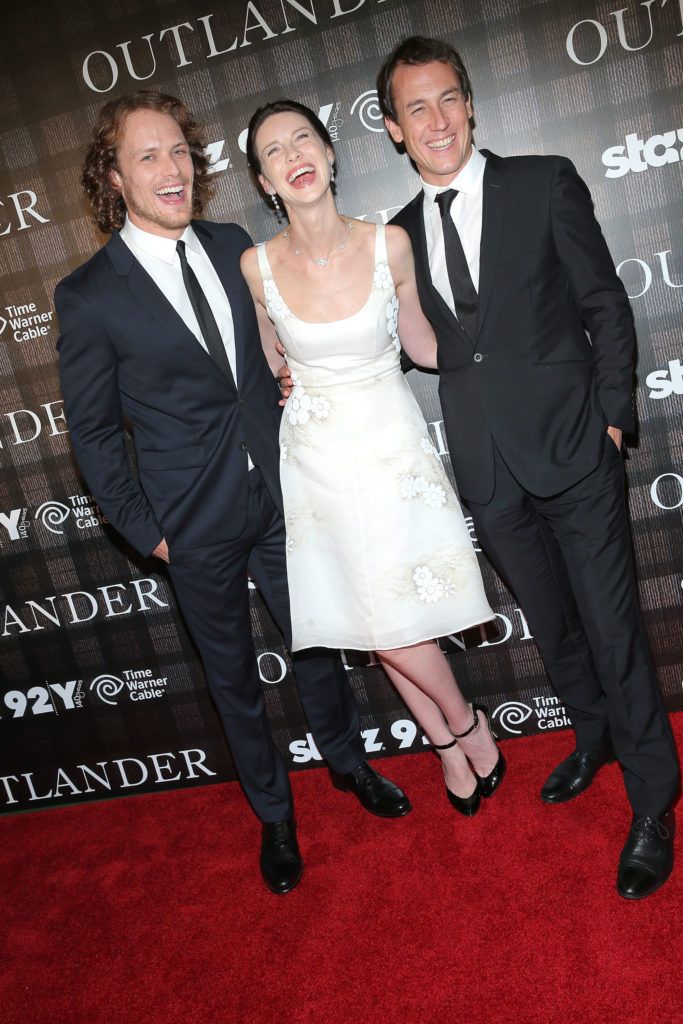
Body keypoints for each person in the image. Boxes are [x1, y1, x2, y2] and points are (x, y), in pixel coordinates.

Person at [54, 90, 413, 897]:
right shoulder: (89, 295)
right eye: (148, 156)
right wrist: (151, 534)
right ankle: (274, 816)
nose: (171, 169)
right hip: (192, 525)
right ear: (112, 177)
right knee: (233, 681)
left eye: (179, 151)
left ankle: (350, 765)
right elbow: (94, 438)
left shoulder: (231, 246)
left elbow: (265, 356)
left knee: (319, 643)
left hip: (284, 493)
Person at [372, 35, 679, 899]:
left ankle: (654, 798)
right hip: (487, 468)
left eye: (447, 99)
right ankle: (592, 738)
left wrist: (613, 423)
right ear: (393, 129)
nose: (435, 120)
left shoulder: (542, 181)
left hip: (575, 452)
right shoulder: (391, 238)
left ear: (468, 103)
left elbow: (602, 305)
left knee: (614, 632)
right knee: (553, 626)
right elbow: (395, 343)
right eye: (415, 108)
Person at [241, 99, 506, 821]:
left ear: (329, 154)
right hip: (315, 460)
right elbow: (266, 363)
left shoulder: (389, 243)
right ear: (264, 181)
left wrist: (499, 347)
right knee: (367, 617)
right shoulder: (254, 266)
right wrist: (282, 378)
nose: (292, 155)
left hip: (389, 446)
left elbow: (423, 344)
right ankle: (457, 731)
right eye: (273, 151)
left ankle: (455, 730)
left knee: (393, 615)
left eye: (303, 139)